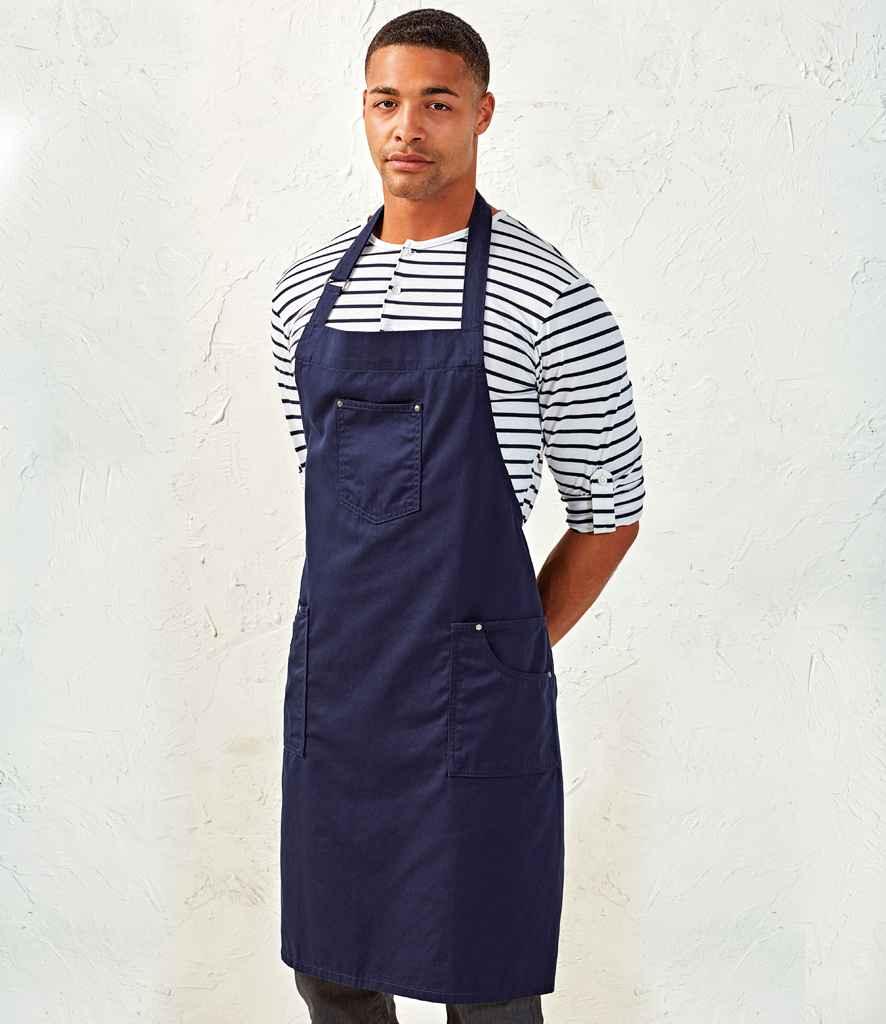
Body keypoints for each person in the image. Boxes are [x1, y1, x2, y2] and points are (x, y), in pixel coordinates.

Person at [269, 9, 645, 1022]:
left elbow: (611, 510)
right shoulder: (302, 297)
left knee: (485, 978)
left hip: (470, 701)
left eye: (437, 103)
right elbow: (325, 487)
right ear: (362, 112)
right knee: (330, 970)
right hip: (339, 692)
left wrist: (502, 651)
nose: (408, 127)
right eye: (386, 102)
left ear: (481, 113)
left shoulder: (548, 295)